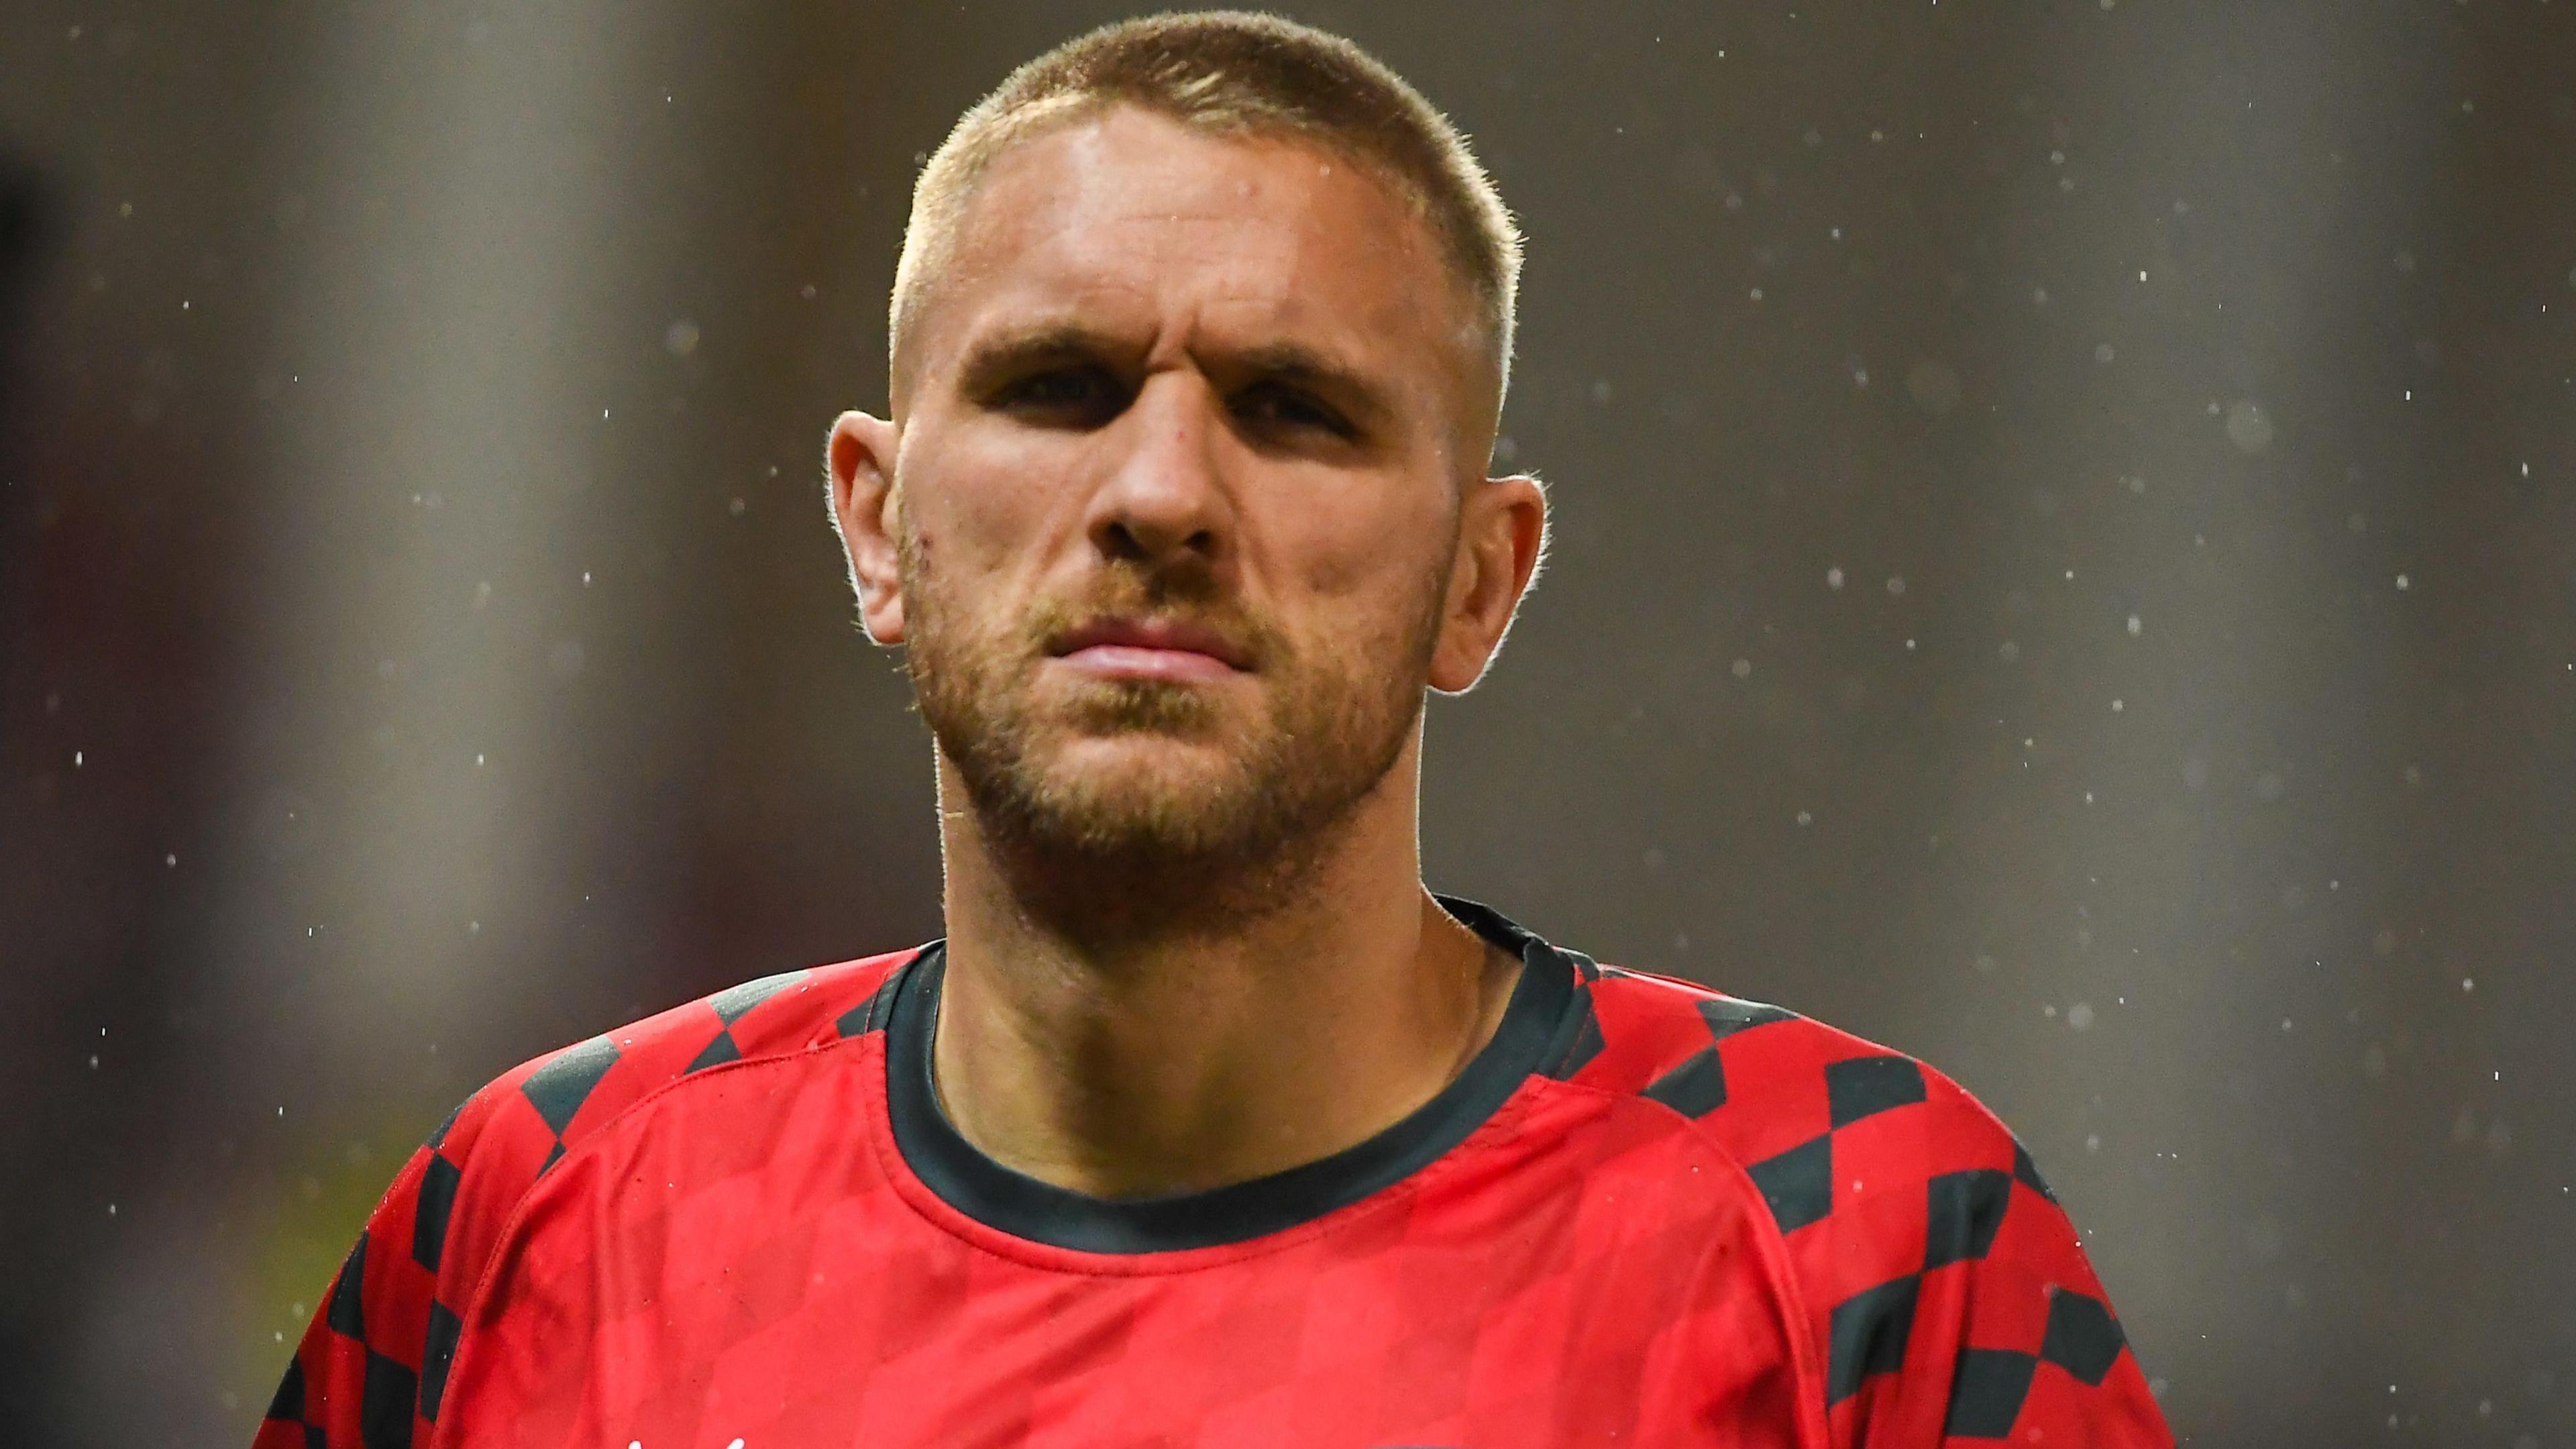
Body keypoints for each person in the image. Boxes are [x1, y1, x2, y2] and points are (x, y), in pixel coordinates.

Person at [256, 13, 2172, 1447]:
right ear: (878, 526)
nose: (1161, 491)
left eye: (1294, 410)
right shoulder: (545, 1211)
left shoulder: (1862, 1243)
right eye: (1062, 384)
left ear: (1480, 580)